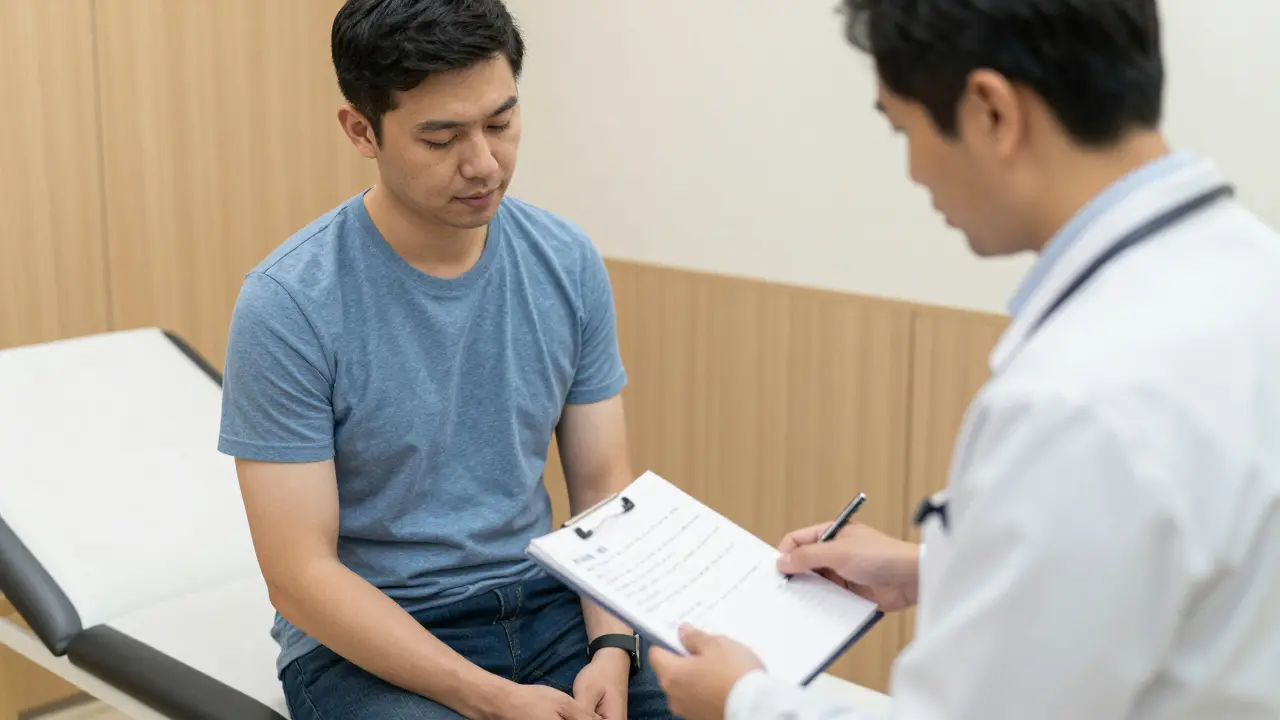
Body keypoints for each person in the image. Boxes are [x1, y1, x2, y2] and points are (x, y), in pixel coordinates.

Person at [649, 0, 1280, 718]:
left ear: (990, 112)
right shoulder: (1254, 272)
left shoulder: (1078, 399)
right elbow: (1161, 579)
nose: (915, 172)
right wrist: (928, 568)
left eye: (904, 128)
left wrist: (743, 701)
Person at [217, 1, 675, 718]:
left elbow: (601, 488)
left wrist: (614, 650)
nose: (484, 164)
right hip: (369, 645)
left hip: (550, 607)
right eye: (440, 138)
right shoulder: (289, 304)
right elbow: (300, 576)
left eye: (500, 123)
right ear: (361, 130)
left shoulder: (566, 262)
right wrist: (491, 699)